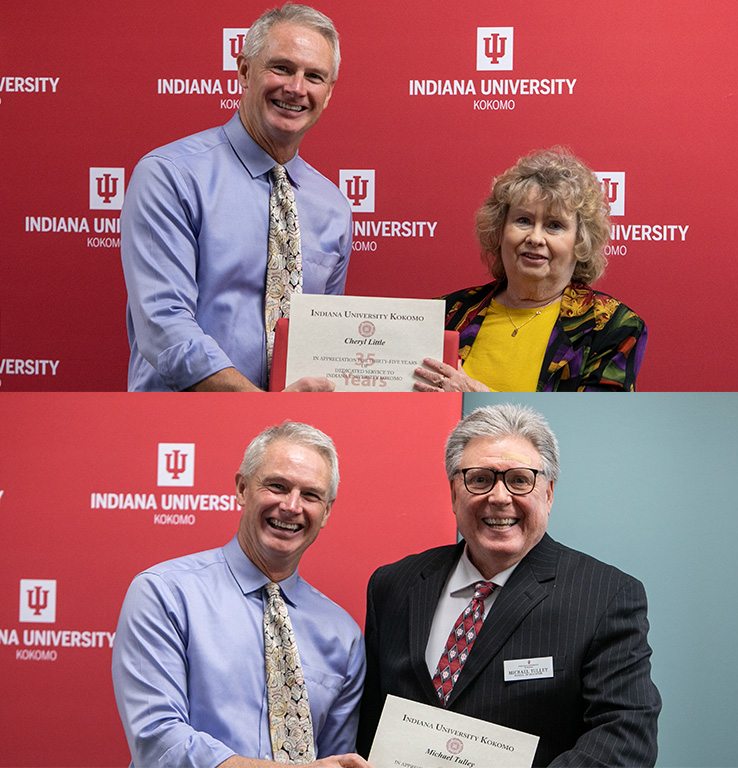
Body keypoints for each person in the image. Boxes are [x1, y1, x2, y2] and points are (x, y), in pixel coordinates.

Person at [357, 403, 661, 767]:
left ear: (548, 493)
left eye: (519, 480)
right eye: (479, 479)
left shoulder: (606, 596)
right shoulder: (393, 585)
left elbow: (625, 737)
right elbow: (371, 723)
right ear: (454, 492)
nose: (499, 497)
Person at [113, 422, 372, 768]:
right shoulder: (165, 594)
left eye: (311, 495)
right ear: (242, 488)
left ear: (326, 511)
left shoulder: (343, 635)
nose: (291, 506)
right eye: (277, 486)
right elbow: (159, 744)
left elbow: (336, 762)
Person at [121, 4, 352, 392]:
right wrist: (259, 408)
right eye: (281, 68)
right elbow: (164, 326)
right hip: (181, 422)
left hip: (292, 427)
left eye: (314, 76)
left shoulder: (333, 207)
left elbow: (326, 343)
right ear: (244, 71)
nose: (296, 88)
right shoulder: (170, 175)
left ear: (328, 94)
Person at [415, 148, 647, 392]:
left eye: (554, 225)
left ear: (581, 241)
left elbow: (598, 416)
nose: (535, 238)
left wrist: (478, 398)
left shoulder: (611, 325)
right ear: (499, 231)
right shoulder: (446, 313)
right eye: (523, 221)